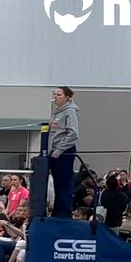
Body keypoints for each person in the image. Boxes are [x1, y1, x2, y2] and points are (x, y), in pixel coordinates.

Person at [48, 86, 80, 218]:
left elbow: (73, 134)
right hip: (54, 151)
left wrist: (60, 149)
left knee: (64, 184)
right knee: (57, 183)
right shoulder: (56, 112)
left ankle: (64, 213)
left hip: (64, 152)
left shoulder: (70, 111)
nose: (55, 97)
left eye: (59, 94)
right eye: (54, 94)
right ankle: (57, 211)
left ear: (67, 97)